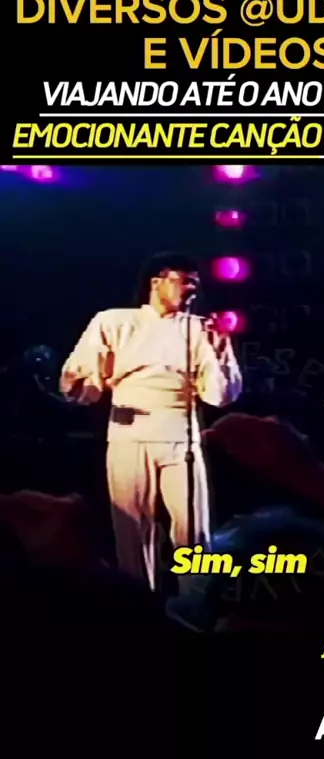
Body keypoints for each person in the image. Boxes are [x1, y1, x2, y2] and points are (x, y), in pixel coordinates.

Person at [59, 252, 242, 589]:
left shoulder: (199, 328)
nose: (191, 289)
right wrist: (76, 385)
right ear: (157, 282)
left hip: (181, 435)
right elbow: (85, 382)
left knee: (194, 528)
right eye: (184, 281)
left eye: (196, 284)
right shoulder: (113, 322)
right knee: (132, 527)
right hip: (129, 434)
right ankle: (137, 599)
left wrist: (220, 350)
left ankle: (196, 599)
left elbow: (220, 395)